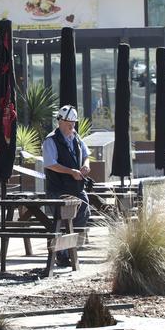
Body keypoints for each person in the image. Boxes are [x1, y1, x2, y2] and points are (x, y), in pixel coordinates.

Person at [42, 105, 91, 267]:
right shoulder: (51, 140)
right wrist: (71, 172)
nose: (72, 126)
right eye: (69, 123)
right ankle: (62, 254)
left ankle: (68, 251)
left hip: (77, 188)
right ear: (60, 122)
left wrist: (85, 165)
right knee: (62, 222)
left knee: (83, 214)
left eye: (73, 123)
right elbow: (50, 164)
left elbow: (86, 155)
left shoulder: (76, 137)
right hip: (58, 189)